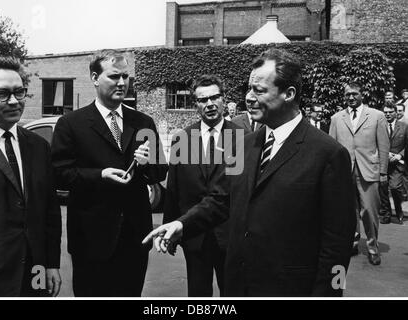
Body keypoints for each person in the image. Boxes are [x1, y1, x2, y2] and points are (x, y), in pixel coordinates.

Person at [144, 48, 356, 297]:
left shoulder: (328, 154)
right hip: (240, 286)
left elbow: (337, 246)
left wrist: (329, 294)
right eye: (249, 89)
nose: (249, 98)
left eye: (260, 90)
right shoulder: (245, 144)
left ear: (289, 94)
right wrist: (181, 224)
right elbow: (222, 199)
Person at [51, 50, 167, 297]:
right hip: (90, 237)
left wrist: (146, 164)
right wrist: (99, 175)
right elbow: (60, 173)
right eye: (114, 76)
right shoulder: (71, 124)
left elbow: (160, 170)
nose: (122, 83)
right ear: (95, 77)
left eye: (126, 76)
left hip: (135, 237)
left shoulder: (143, 122)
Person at [0, 56, 62, 297]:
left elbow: (50, 212)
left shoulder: (38, 145)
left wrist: (52, 264)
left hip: (35, 277)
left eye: (19, 92)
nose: (13, 101)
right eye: (2, 94)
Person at [163, 75, 241, 297]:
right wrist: (172, 229)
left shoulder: (243, 138)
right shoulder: (182, 139)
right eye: (202, 99)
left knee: (233, 293)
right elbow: (174, 189)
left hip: (230, 236)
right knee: (198, 295)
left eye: (215, 97)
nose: (209, 104)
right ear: (195, 104)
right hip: (195, 236)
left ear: (224, 100)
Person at [329, 81, 390, 266]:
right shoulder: (336, 118)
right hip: (344, 173)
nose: (351, 97)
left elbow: (384, 146)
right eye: (348, 94)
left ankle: (373, 248)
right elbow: (332, 148)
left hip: (369, 172)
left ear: (362, 94)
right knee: (348, 213)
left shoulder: (377, 116)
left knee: (370, 212)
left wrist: (383, 172)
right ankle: (353, 243)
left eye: (354, 93)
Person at [379, 102, 408, 225]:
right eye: (385, 112)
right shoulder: (379, 126)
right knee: (383, 188)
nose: (388, 114)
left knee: (395, 188)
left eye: (390, 112)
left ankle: (398, 209)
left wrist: (400, 155)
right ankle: (386, 214)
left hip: (397, 164)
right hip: (383, 162)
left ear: (396, 113)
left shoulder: (404, 126)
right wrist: (386, 153)